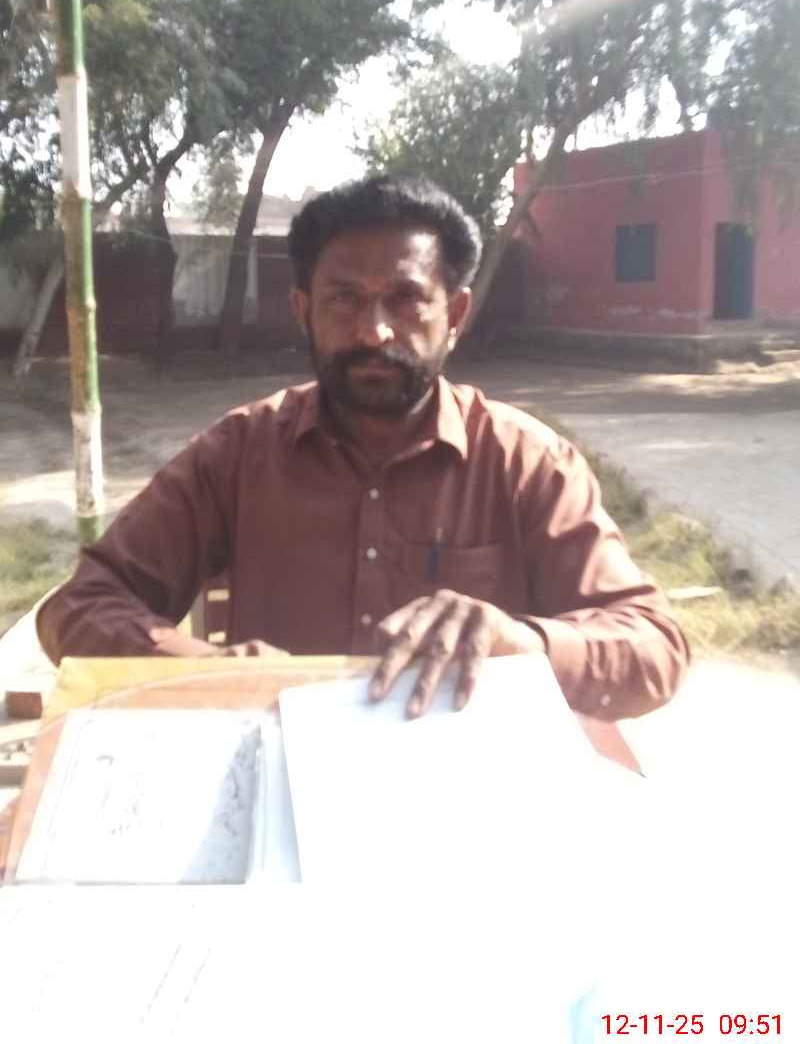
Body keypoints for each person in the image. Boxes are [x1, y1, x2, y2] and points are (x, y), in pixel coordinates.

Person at [37, 175, 689, 719]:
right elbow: (78, 606)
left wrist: (522, 642)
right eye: (344, 300)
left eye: (406, 300)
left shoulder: (528, 463)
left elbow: (654, 647)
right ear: (303, 311)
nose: (374, 332)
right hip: (283, 774)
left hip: (470, 783)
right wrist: (208, 671)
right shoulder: (240, 453)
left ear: (456, 316)